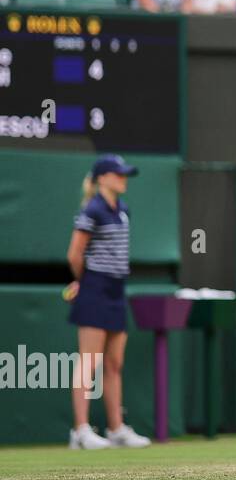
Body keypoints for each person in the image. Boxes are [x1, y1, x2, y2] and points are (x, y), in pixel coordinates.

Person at [65, 155, 151, 449]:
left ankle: (116, 429)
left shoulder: (123, 209)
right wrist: (84, 280)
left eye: (125, 174)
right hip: (95, 288)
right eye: (118, 174)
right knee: (88, 361)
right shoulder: (92, 209)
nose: (123, 178)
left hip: (116, 290)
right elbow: (74, 254)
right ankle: (80, 431)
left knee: (114, 363)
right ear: (102, 178)